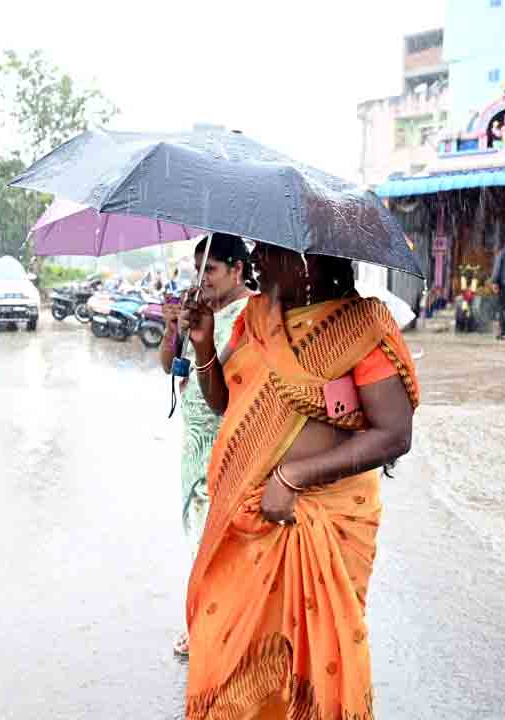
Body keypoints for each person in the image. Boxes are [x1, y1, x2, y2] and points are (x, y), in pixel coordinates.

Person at [178, 244, 419, 720]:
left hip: (322, 518)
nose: (257, 260)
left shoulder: (361, 327)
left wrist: (292, 476)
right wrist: (204, 346)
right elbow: (225, 401)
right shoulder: (257, 317)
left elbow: (394, 433)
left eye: (270, 252)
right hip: (245, 514)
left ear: (311, 260)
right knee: (229, 650)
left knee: (311, 662)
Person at [159, 234, 255, 658]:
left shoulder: (250, 315)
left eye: (211, 269)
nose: (203, 279)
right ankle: (210, 619)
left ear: (238, 269)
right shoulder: (202, 312)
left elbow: (227, 380)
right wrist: (172, 329)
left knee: (222, 539)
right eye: (197, 270)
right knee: (200, 533)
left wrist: (205, 339)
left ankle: (214, 626)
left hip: (229, 435)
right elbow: (171, 366)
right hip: (195, 440)